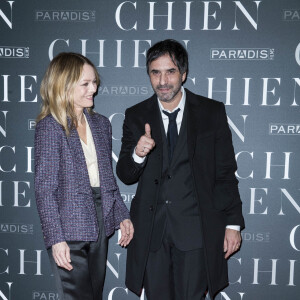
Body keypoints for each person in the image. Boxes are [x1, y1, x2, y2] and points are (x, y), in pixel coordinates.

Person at [116, 39, 245, 300]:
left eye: (170, 71)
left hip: (195, 231)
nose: (163, 80)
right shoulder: (136, 115)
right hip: (152, 232)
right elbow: (126, 175)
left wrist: (232, 224)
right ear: (149, 75)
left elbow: (225, 173)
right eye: (155, 72)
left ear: (183, 74)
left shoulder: (211, 112)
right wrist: (138, 154)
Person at [34, 52, 134, 300]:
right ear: (65, 85)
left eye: (94, 82)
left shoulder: (101, 124)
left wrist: (122, 214)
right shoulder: (50, 126)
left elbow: (107, 179)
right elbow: (45, 189)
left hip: (100, 221)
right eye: (86, 84)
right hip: (67, 229)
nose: (94, 89)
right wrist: (56, 239)